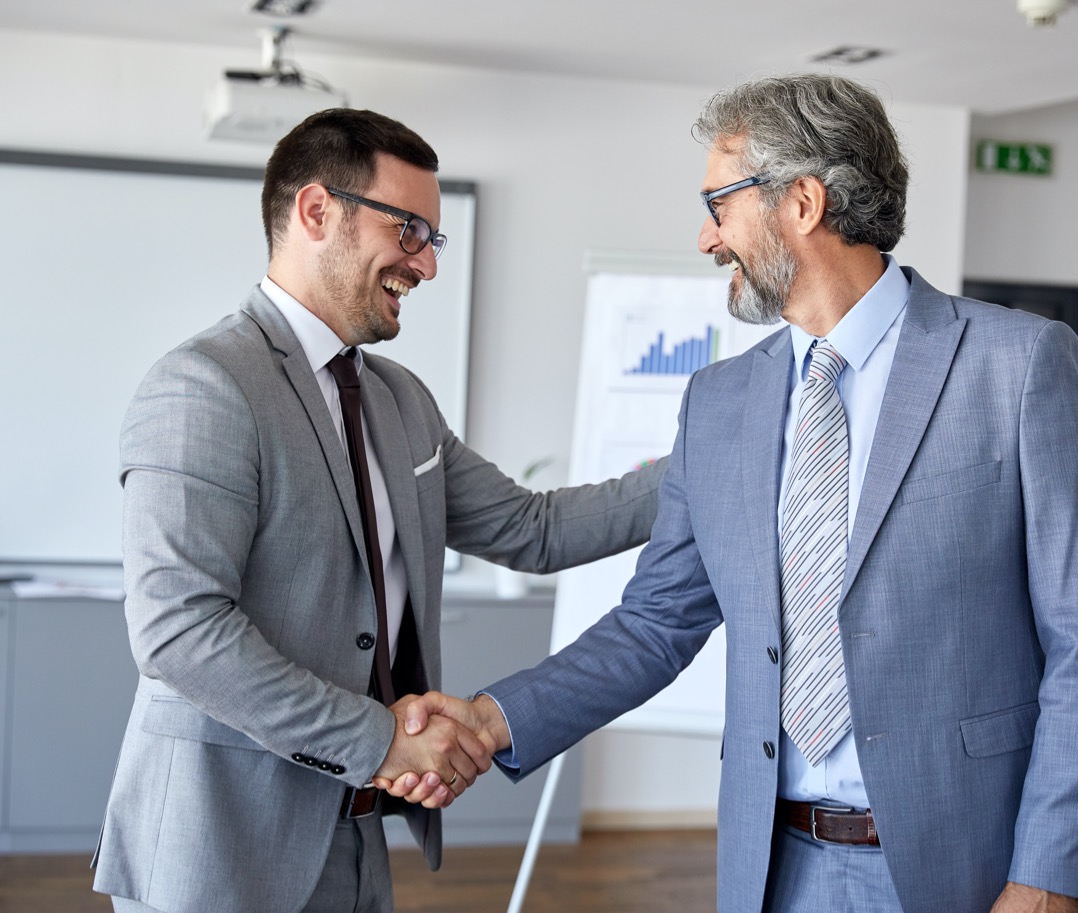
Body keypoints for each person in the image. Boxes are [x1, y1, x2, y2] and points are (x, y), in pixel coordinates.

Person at [394, 75, 1078, 913]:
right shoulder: (717, 404)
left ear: (803, 203)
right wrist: (492, 720)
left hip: (966, 866)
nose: (708, 237)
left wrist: (1046, 880)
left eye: (720, 203)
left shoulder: (1017, 365)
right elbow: (656, 622)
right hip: (774, 867)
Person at [91, 108, 666, 913]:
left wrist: (712, 461)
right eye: (410, 231)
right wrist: (382, 739)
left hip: (360, 835)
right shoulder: (205, 385)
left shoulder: (400, 400)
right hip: (219, 849)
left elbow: (536, 529)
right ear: (317, 211)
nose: (426, 265)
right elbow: (180, 631)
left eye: (434, 239)